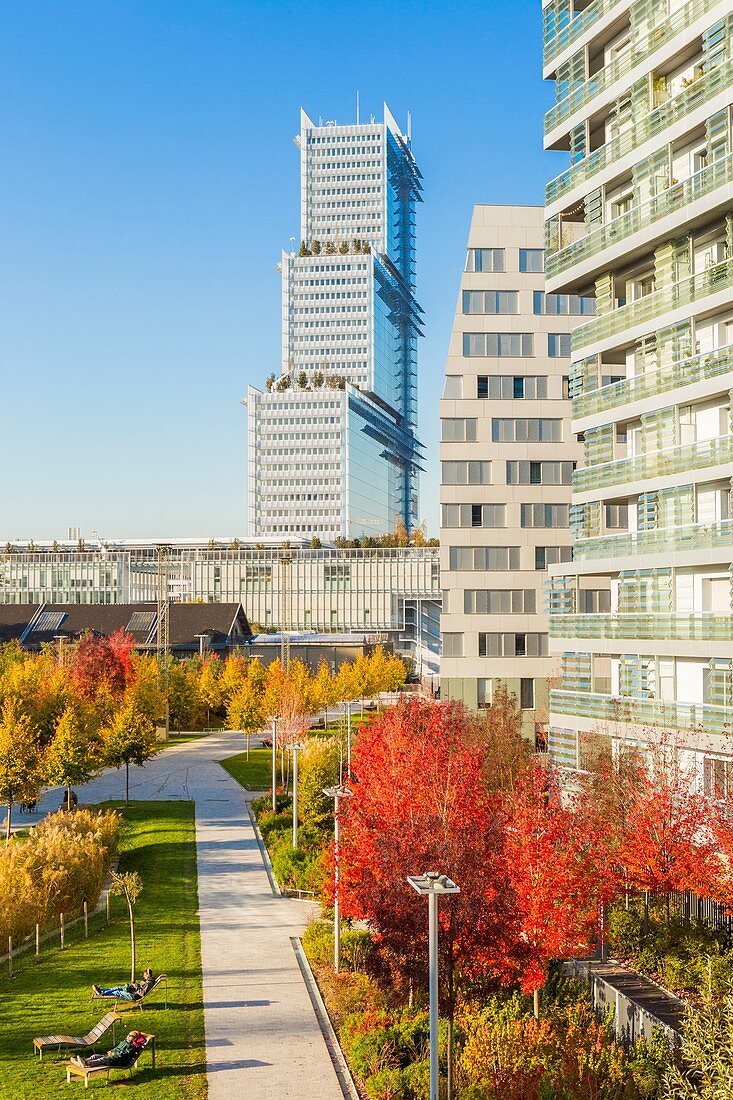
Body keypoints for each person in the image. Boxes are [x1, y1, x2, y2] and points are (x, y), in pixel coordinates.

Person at [70, 1031, 147, 1070]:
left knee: (103, 1059)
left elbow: (123, 1055)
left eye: (131, 1036)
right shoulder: (124, 1042)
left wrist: (114, 1053)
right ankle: (81, 1061)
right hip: (112, 1057)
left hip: (117, 1061)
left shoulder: (132, 1047)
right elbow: (116, 1048)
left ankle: (86, 1063)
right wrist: (111, 1051)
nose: (129, 1036)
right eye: (128, 1035)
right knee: (95, 1056)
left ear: (135, 1039)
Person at [92, 968, 156, 1001]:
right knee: (117, 988)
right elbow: (141, 987)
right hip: (132, 991)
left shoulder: (149, 983)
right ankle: (100, 990)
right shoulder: (147, 981)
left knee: (117, 992)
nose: (144, 976)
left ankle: (101, 993)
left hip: (133, 996)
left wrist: (136, 987)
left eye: (145, 975)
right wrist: (136, 985)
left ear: (148, 975)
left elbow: (142, 993)